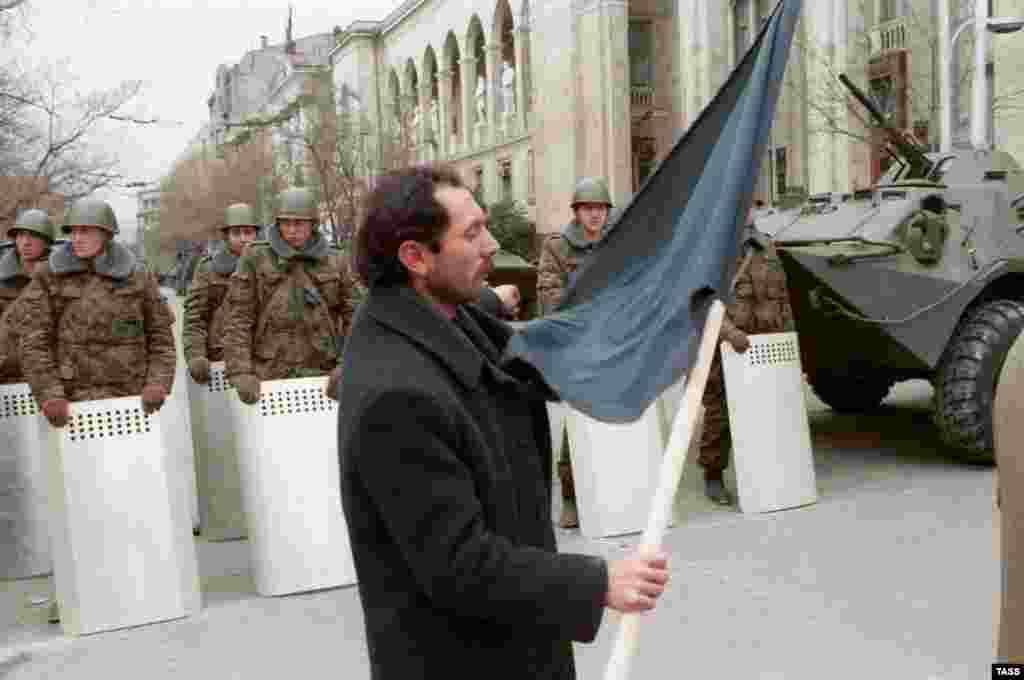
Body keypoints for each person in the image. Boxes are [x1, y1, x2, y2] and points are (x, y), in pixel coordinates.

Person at [337, 165, 669, 679]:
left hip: (515, 646)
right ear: (415, 257)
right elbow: (461, 565)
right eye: (471, 234)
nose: (491, 244)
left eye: (486, 224)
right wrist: (598, 583)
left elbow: (524, 356)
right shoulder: (395, 396)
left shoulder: (446, 314)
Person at [18, 197, 176, 624]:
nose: (80, 238)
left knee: (131, 499)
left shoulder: (136, 276)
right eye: (74, 231)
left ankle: (141, 588)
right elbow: (32, 339)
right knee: (75, 506)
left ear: (107, 235)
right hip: (72, 408)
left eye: (88, 231)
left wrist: (159, 383)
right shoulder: (51, 276)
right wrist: (49, 393)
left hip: (131, 408)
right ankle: (73, 591)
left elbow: (161, 337)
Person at [223, 187, 355, 403]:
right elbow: (238, 317)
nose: (292, 230)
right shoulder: (255, 256)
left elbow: (355, 317)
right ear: (277, 223)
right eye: (286, 223)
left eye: (299, 223)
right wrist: (240, 371)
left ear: (313, 225)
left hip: (324, 376)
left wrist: (349, 364)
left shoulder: (337, 259)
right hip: (269, 376)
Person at [535, 176, 614, 528]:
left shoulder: (618, 242)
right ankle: (571, 495)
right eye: (588, 209)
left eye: (600, 209)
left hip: (613, 343)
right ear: (577, 212)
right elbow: (550, 295)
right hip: (577, 345)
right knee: (579, 419)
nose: (595, 215)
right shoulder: (557, 247)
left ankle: (615, 489)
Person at [698, 215, 792, 505]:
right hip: (727, 346)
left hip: (765, 345)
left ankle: (765, 476)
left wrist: (789, 337)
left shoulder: (766, 246)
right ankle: (713, 475)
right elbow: (702, 303)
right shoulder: (714, 248)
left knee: (767, 412)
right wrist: (729, 333)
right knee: (719, 413)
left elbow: (783, 297)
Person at [183, 203, 260, 384]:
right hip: (221, 360)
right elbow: (195, 318)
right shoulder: (208, 269)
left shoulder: (269, 267)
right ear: (226, 236)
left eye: (248, 232)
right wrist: (196, 356)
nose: (243, 239)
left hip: (262, 360)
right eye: (236, 233)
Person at [0, 209, 56, 384]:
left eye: (34, 236)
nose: (25, 242)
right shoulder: (2, 281)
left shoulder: (62, 279)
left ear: (46, 242)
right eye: (21, 236)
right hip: (6, 374)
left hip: (50, 374)